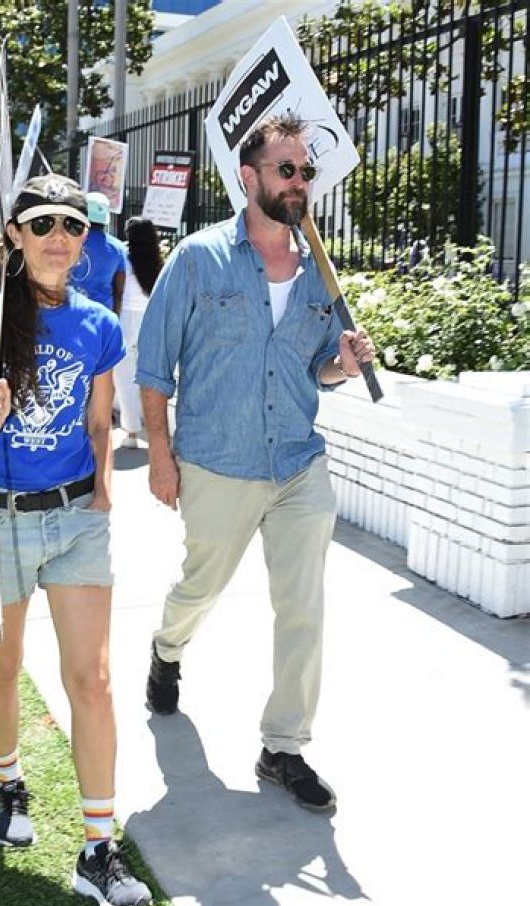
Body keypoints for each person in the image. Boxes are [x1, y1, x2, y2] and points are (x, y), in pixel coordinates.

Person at [136, 112, 377, 814]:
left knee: (302, 604)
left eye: (306, 171)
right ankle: (167, 648)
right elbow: (153, 368)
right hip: (218, 461)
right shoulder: (199, 259)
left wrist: (345, 359)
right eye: (287, 170)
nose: (301, 182)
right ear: (250, 178)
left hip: (299, 462)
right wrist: (159, 453)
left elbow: (320, 369)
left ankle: (284, 745)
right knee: (200, 588)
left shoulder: (318, 276)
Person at [0, 173, 151, 906]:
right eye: (43, 224)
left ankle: (98, 846)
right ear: (17, 236)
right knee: (1, 663)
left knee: (90, 677)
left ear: (84, 239)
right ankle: (10, 782)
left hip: (73, 518)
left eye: (73, 225)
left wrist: (105, 486)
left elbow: (102, 418)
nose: (59, 238)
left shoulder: (97, 324)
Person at [115, 217, 163, 448]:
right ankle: (153, 428)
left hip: (125, 318)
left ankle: (131, 431)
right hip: (149, 318)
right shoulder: (157, 258)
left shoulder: (121, 254)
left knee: (124, 378)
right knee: (150, 376)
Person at [70, 191, 126, 315]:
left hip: (70, 309)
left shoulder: (71, 241)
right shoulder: (118, 248)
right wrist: (115, 317)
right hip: (102, 313)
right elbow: (119, 290)